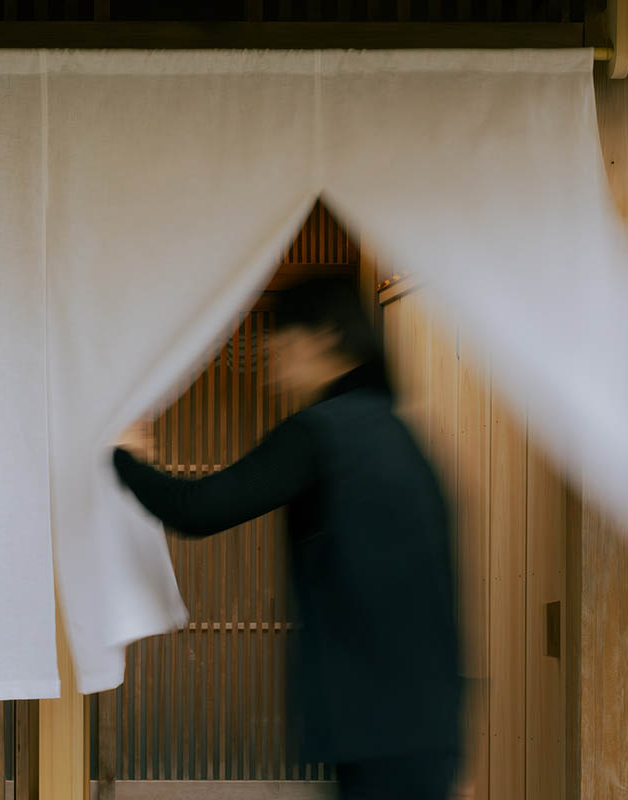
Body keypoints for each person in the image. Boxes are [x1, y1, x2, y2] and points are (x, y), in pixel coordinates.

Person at [112, 277, 462, 800]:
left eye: (277, 350)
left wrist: (126, 458)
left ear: (323, 338)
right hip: (431, 722)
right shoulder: (399, 433)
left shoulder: (323, 432)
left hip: (372, 721)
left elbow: (198, 509)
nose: (271, 371)